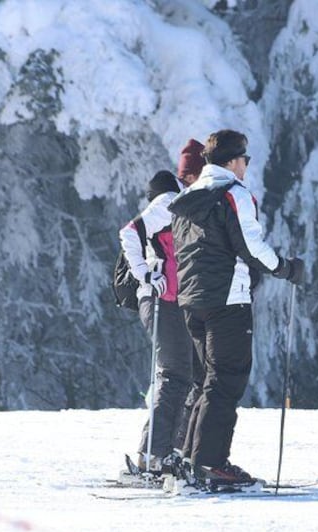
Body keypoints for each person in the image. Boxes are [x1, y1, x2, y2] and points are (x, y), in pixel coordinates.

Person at [168, 129, 304, 488]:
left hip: (191, 302)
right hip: (227, 300)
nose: (246, 166)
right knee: (226, 379)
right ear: (232, 161)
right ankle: (210, 463)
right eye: (245, 159)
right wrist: (287, 268)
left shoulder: (189, 198)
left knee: (208, 381)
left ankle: (188, 457)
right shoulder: (233, 194)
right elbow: (250, 246)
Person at [118, 138, 205, 474]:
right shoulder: (168, 202)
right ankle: (155, 454)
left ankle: (166, 451)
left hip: (171, 301)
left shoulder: (177, 202)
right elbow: (129, 232)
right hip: (161, 300)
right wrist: (144, 274)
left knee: (187, 376)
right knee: (176, 376)